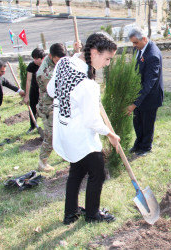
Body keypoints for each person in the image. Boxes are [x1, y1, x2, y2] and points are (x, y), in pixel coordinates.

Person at [47, 32, 120, 225]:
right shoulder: (87, 84)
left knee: (76, 171)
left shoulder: (63, 63)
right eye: (107, 59)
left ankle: (70, 213)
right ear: (94, 52)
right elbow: (92, 122)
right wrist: (110, 134)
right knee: (98, 173)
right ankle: (92, 215)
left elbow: (51, 90)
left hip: (64, 132)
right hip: (80, 136)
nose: (107, 64)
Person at [127, 27, 164, 156]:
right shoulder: (138, 49)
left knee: (147, 123)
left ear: (144, 39)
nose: (134, 45)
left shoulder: (153, 55)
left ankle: (146, 147)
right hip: (139, 94)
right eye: (132, 43)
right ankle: (138, 144)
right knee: (138, 122)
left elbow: (149, 83)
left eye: (136, 42)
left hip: (150, 97)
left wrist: (135, 103)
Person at [36, 43, 67, 172]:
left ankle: (67, 154)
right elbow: (54, 91)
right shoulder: (44, 72)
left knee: (65, 130)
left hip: (58, 104)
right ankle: (42, 162)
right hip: (49, 107)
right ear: (50, 56)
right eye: (57, 60)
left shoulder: (57, 61)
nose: (60, 62)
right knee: (51, 135)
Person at [0, 60, 25, 147]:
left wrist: (19, 91)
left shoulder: (0, 78)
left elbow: (8, 84)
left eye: (4, 71)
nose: (3, 73)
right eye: (2, 71)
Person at [23, 48, 46, 134]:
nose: (35, 60)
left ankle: (47, 126)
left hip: (45, 91)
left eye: (36, 58)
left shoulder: (47, 65)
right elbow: (28, 80)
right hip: (35, 90)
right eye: (33, 58)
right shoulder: (32, 66)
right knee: (32, 108)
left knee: (46, 109)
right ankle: (32, 125)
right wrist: (27, 96)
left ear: (42, 58)